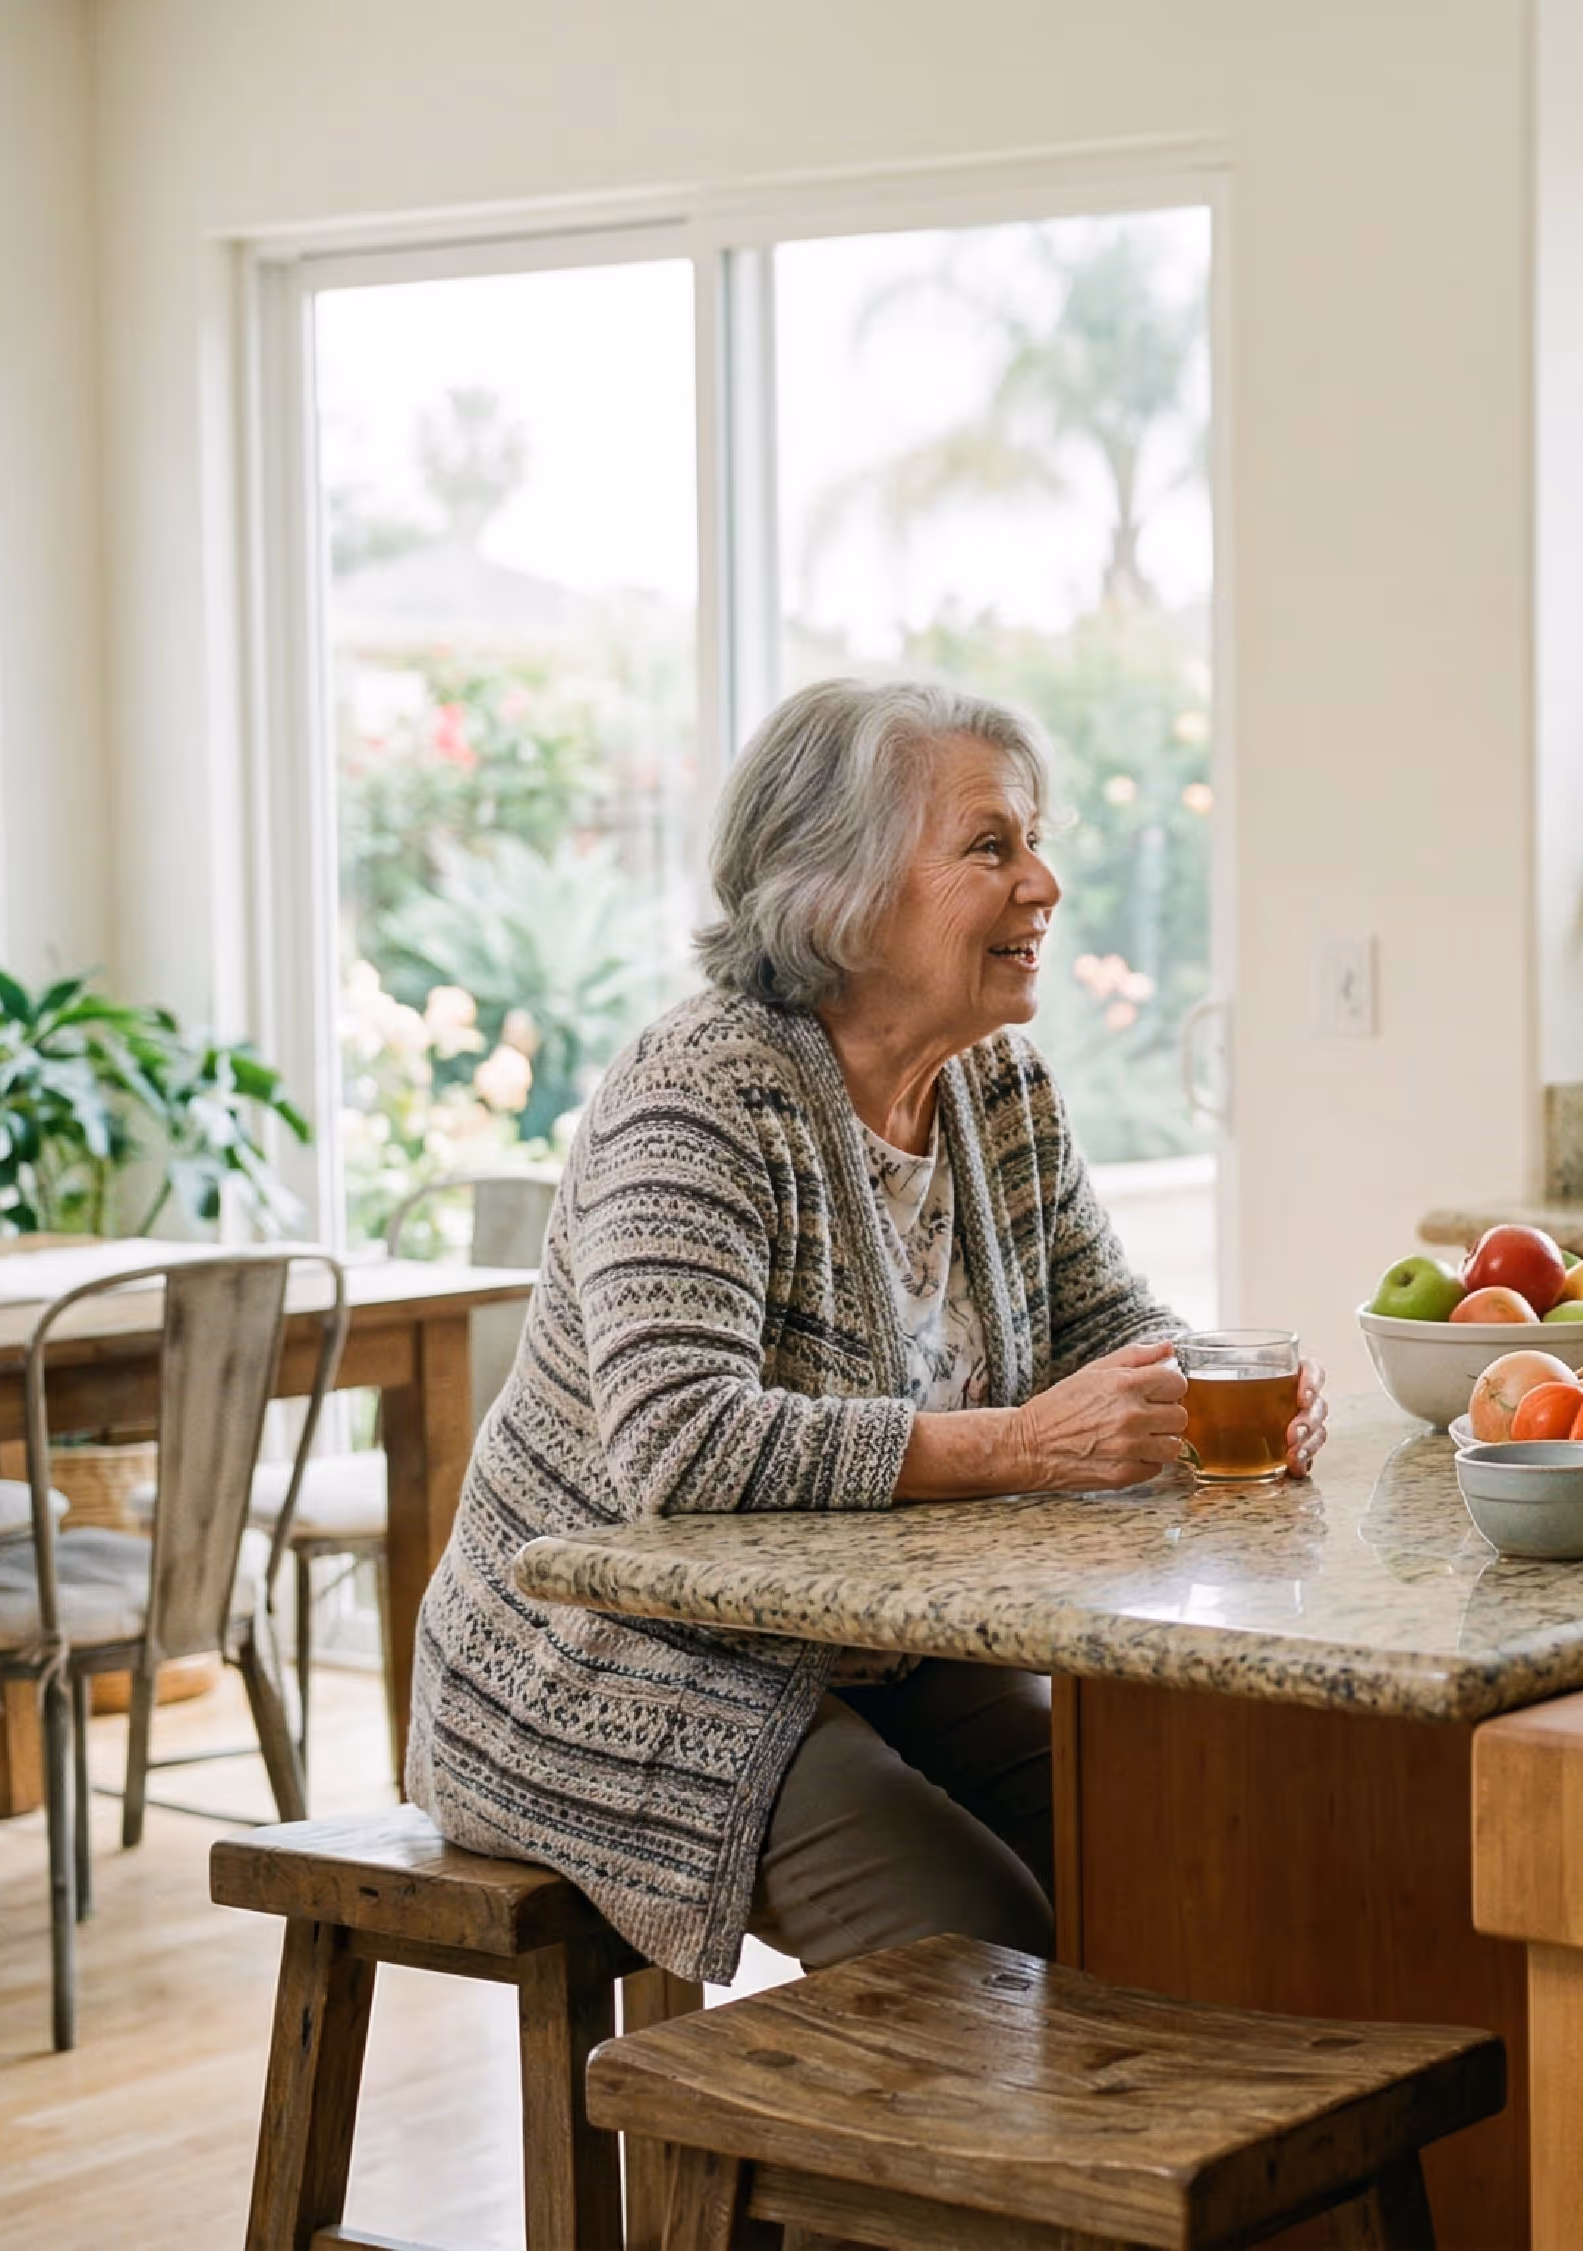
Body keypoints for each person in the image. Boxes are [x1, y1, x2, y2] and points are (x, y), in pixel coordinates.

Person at [407, 677, 1326, 1985]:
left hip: (879, 1648)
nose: (1044, 882)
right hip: (607, 1668)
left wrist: (1229, 1384)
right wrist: (1019, 1444)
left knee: (1166, 1859)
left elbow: (1106, 1327)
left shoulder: (993, 1086)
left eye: (1036, 838)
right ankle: (802, 2190)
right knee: (988, 1949)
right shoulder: (702, 1096)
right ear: (838, 889)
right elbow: (683, 1444)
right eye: (991, 845)